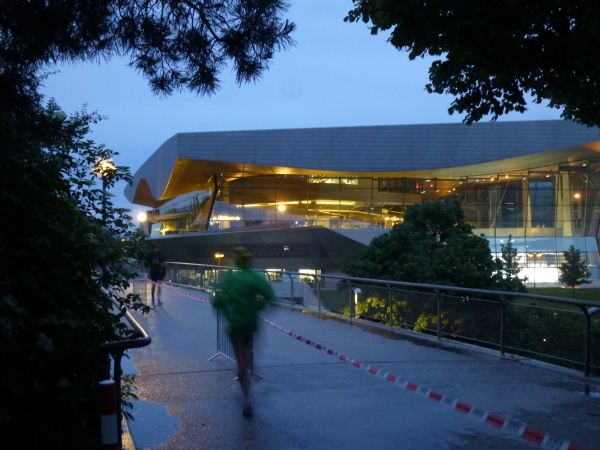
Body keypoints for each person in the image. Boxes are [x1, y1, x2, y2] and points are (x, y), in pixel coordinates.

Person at [212, 247, 275, 417]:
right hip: (251, 322)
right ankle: (249, 373)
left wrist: (226, 309)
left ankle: (247, 397)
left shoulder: (231, 278)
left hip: (236, 324)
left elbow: (217, 301)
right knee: (249, 353)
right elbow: (270, 296)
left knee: (241, 359)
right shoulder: (254, 276)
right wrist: (256, 307)